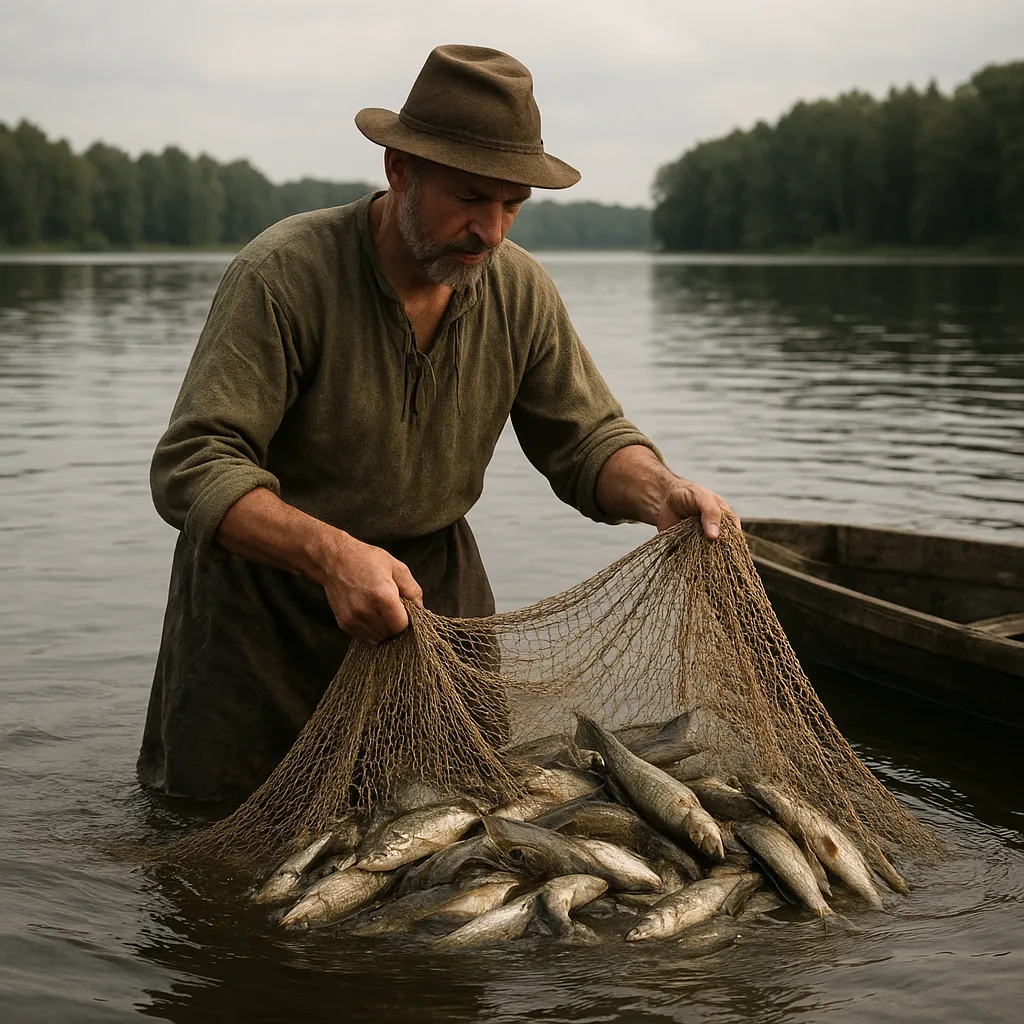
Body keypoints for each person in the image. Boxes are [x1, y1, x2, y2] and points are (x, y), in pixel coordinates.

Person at [138, 44, 735, 804]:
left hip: (436, 599)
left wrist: (660, 492)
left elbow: (586, 440)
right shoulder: (284, 274)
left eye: (512, 203)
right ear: (399, 170)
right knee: (225, 864)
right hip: (265, 613)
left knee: (462, 824)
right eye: (469, 197)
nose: (490, 230)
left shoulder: (518, 289)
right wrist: (330, 556)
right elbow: (194, 467)